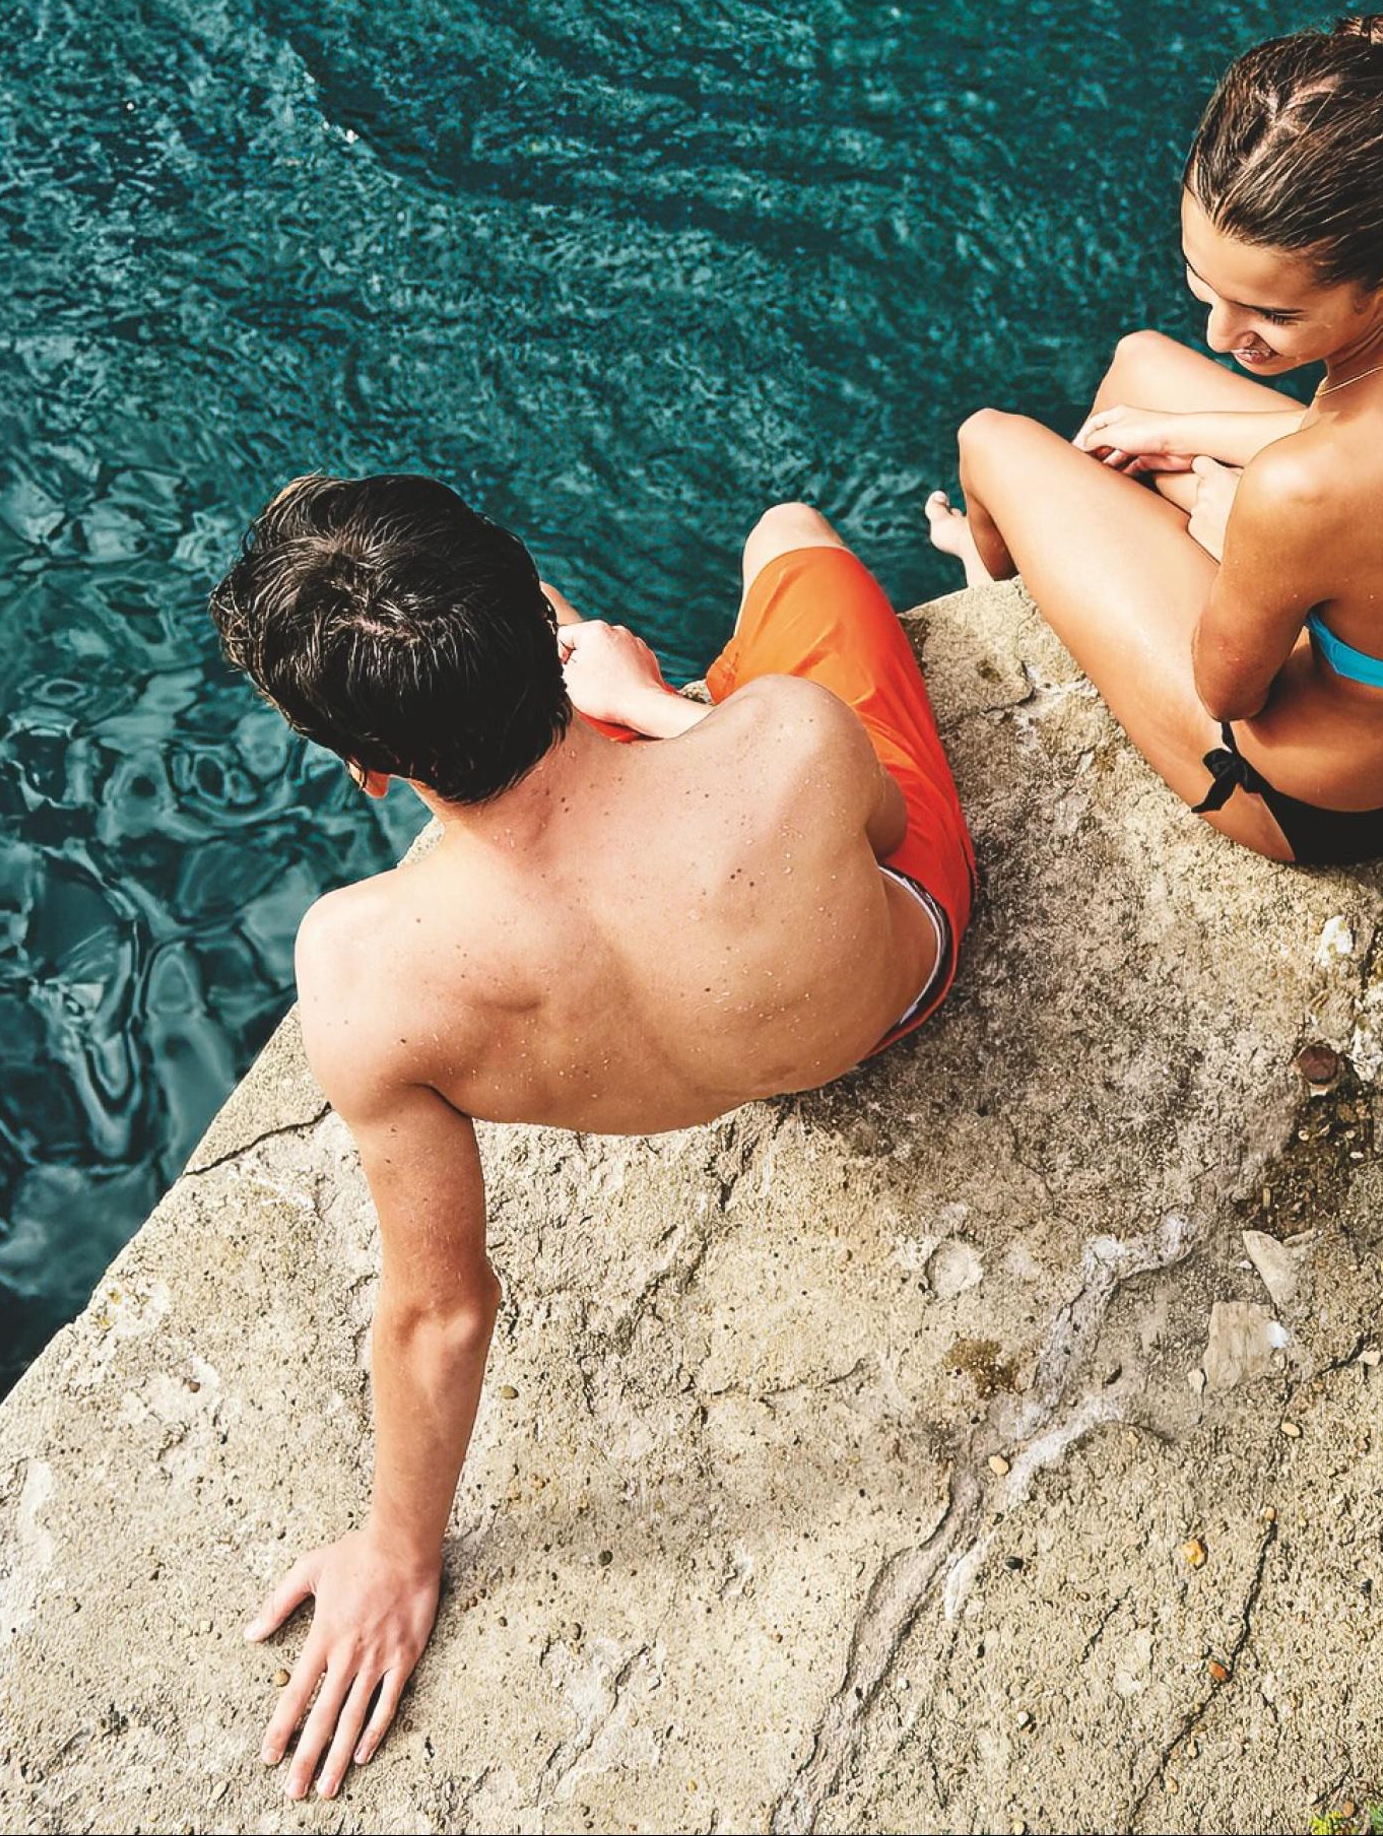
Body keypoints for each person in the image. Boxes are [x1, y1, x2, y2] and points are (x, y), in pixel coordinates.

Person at [207, 480, 972, 1803]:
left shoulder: (367, 977)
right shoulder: (788, 736)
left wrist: (399, 1551)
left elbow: (440, 1310)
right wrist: (671, 716)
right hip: (894, 995)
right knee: (788, 536)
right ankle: (636, 688)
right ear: (542, 624)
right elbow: (888, 832)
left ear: (370, 768)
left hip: (687, 1029)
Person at [924, 9, 1383, 865]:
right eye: (1203, 281)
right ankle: (1074, 520)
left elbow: (1232, 690)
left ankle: (995, 574)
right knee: (1139, 365)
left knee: (990, 439)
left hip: (1333, 802)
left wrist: (1233, 519)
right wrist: (1184, 434)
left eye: (1273, 312)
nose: (1220, 334)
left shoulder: (1303, 491)